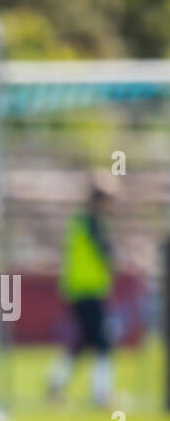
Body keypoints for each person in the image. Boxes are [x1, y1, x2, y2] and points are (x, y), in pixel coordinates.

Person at [49, 173, 117, 407]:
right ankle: (101, 394)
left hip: (80, 290)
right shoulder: (91, 224)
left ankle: (56, 384)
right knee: (101, 341)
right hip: (87, 290)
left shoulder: (79, 222)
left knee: (84, 341)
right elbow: (106, 253)